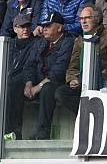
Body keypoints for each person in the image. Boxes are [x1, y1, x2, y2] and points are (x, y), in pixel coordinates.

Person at [55, 5, 107, 114]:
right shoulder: (79, 40)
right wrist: (73, 79)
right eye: (81, 19)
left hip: (102, 79)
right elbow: (73, 66)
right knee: (61, 93)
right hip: (82, 82)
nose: (83, 22)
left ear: (97, 19)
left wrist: (100, 75)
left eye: (87, 18)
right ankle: (85, 116)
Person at [0, 13, 37, 140]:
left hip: (19, 82)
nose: (25, 29)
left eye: (28, 26)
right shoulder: (9, 44)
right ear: (15, 28)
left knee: (11, 87)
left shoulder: (35, 43)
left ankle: (13, 131)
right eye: (21, 27)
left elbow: (31, 66)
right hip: (4, 81)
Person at [23, 12, 74, 140]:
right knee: (13, 85)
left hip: (57, 83)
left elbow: (58, 71)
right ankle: (11, 132)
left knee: (47, 89)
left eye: (48, 26)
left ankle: (42, 133)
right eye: (43, 26)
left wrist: (37, 87)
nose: (44, 29)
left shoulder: (67, 42)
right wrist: (28, 84)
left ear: (60, 28)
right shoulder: (40, 43)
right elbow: (29, 64)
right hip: (37, 82)